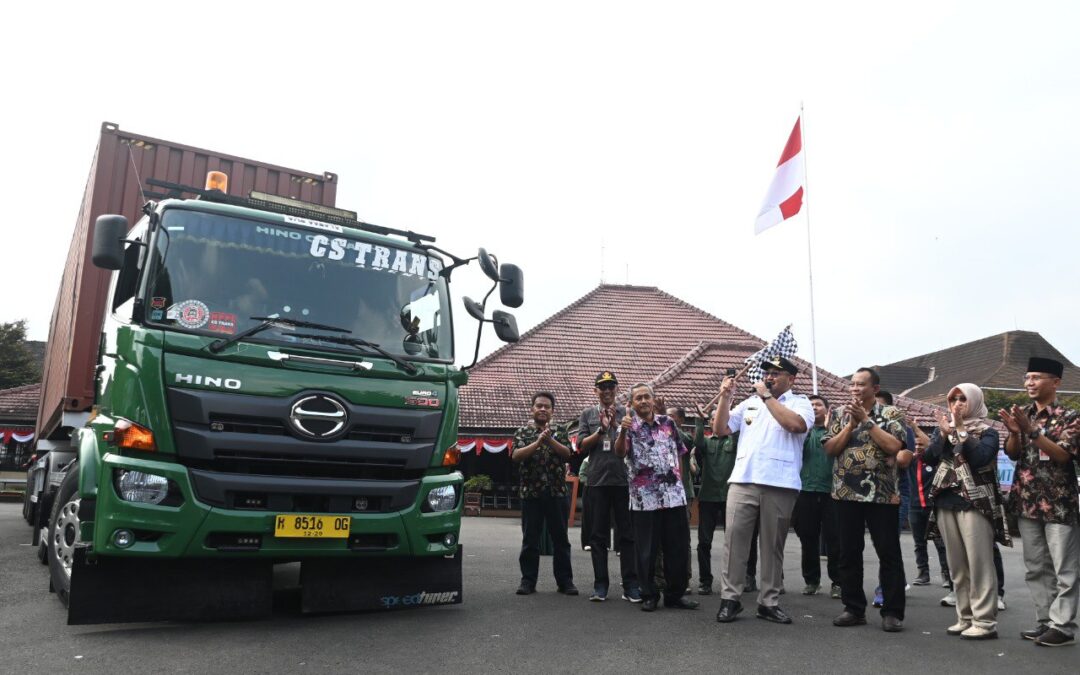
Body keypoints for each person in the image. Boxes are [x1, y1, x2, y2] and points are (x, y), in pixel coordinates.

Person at [713, 356, 814, 625]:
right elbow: (720, 428)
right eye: (767, 372)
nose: (769, 377)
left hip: (780, 484)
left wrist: (767, 397)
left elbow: (795, 426)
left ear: (791, 379)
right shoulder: (749, 403)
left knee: (772, 545)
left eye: (776, 374)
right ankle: (730, 599)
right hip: (744, 479)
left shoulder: (800, 403)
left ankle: (768, 602)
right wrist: (725, 397)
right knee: (734, 541)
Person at [824, 367, 911, 633]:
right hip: (845, 494)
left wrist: (867, 421)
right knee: (848, 552)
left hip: (882, 495)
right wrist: (851, 425)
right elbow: (830, 449)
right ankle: (853, 609)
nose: (855, 389)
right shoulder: (839, 414)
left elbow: (895, 447)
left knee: (888, 553)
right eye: (852, 384)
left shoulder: (891, 414)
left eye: (861, 385)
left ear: (874, 388)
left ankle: (893, 612)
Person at [1000, 357, 1079, 647]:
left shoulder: (1070, 416)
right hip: (1026, 501)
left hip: (1059, 503)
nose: (1029, 383)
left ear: (1055, 382)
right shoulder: (1022, 415)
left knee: (1064, 569)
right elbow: (1012, 454)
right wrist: (1013, 431)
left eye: (1036, 377)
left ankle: (1064, 625)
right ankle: (1045, 621)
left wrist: (1032, 431)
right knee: (1036, 567)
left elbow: (1062, 455)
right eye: (1027, 377)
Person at [923, 383, 1011, 640]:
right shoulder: (944, 430)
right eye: (953, 399)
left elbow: (981, 458)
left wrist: (960, 430)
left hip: (976, 502)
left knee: (979, 563)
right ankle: (965, 617)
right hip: (946, 501)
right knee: (957, 565)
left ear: (974, 401)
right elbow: (929, 458)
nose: (958, 403)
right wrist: (942, 435)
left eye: (963, 399)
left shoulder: (988, 432)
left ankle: (984, 622)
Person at [614, 384, 699, 612]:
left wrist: (680, 484)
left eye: (646, 397)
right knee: (646, 551)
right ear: (632, 403)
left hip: (673, 497)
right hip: (644, 499)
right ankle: (649, 594)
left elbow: (680, 452)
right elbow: (620, 452)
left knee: (677, 548)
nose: (643, 401)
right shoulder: (628, 426)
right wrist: (622, 431)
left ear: (653, 400)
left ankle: (675, 595)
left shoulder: (669, 423)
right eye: (638, 398)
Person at [577, 371, 640, 603]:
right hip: (597, 482)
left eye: (610, 387)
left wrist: (620, 426)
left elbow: (636, 443)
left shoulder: (627, 413)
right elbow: (581, 446)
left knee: (627, 535)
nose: (606, 391)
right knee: (598, 536)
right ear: (596, 391)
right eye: (602, 387)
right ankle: (600, 585)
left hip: (624, 481)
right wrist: (601, 430)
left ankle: (631, 585)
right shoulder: (587, 414)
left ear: (616, 390)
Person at [511, 392, 577, 596]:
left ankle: (565, 582)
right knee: (530, 539)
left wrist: (550, 441)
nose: (542, 409)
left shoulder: (560, 430)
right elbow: (516, 456)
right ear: (532, 409)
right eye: (538, 406)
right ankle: (528, 581)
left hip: (557, 492)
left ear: (552, 411)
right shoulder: (522, 431)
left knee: (561, 539)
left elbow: (568, 454)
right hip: (531, 493)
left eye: (546, 407)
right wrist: (538, 442)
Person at [692, 403, 759, 596]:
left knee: (744, 539)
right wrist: (699, 421)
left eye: (719, 418)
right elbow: (697, 444)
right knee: (704, 541)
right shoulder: (706, 442)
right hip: (708, 497)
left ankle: (748, 576)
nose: (716, 421)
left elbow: (742, 433)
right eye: (712, 418)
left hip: (733, 495)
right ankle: (705, 581)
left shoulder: (735, 440)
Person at [791, 394, 841, 597]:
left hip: (833, 493)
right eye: (810, 405)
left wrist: (830, 429)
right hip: (806, 491)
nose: (814, 407)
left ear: (827, 410)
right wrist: (807, 428)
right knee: (808, 538)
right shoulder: (802, 432)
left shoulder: (837, 431)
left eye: (818, 405)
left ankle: (838, 582)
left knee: (835, 540)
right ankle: (812, 581)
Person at [906, 419, 952, 592]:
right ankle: (923, 573)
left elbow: (932, 444)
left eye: (920, 444)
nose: (918, 447)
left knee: (940, 542)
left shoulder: (934, 461)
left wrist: (915, 428)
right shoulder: (909, 461)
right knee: (919, 543)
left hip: (933, 507)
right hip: (915, 507)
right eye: (915, 445)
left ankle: (946, 574)